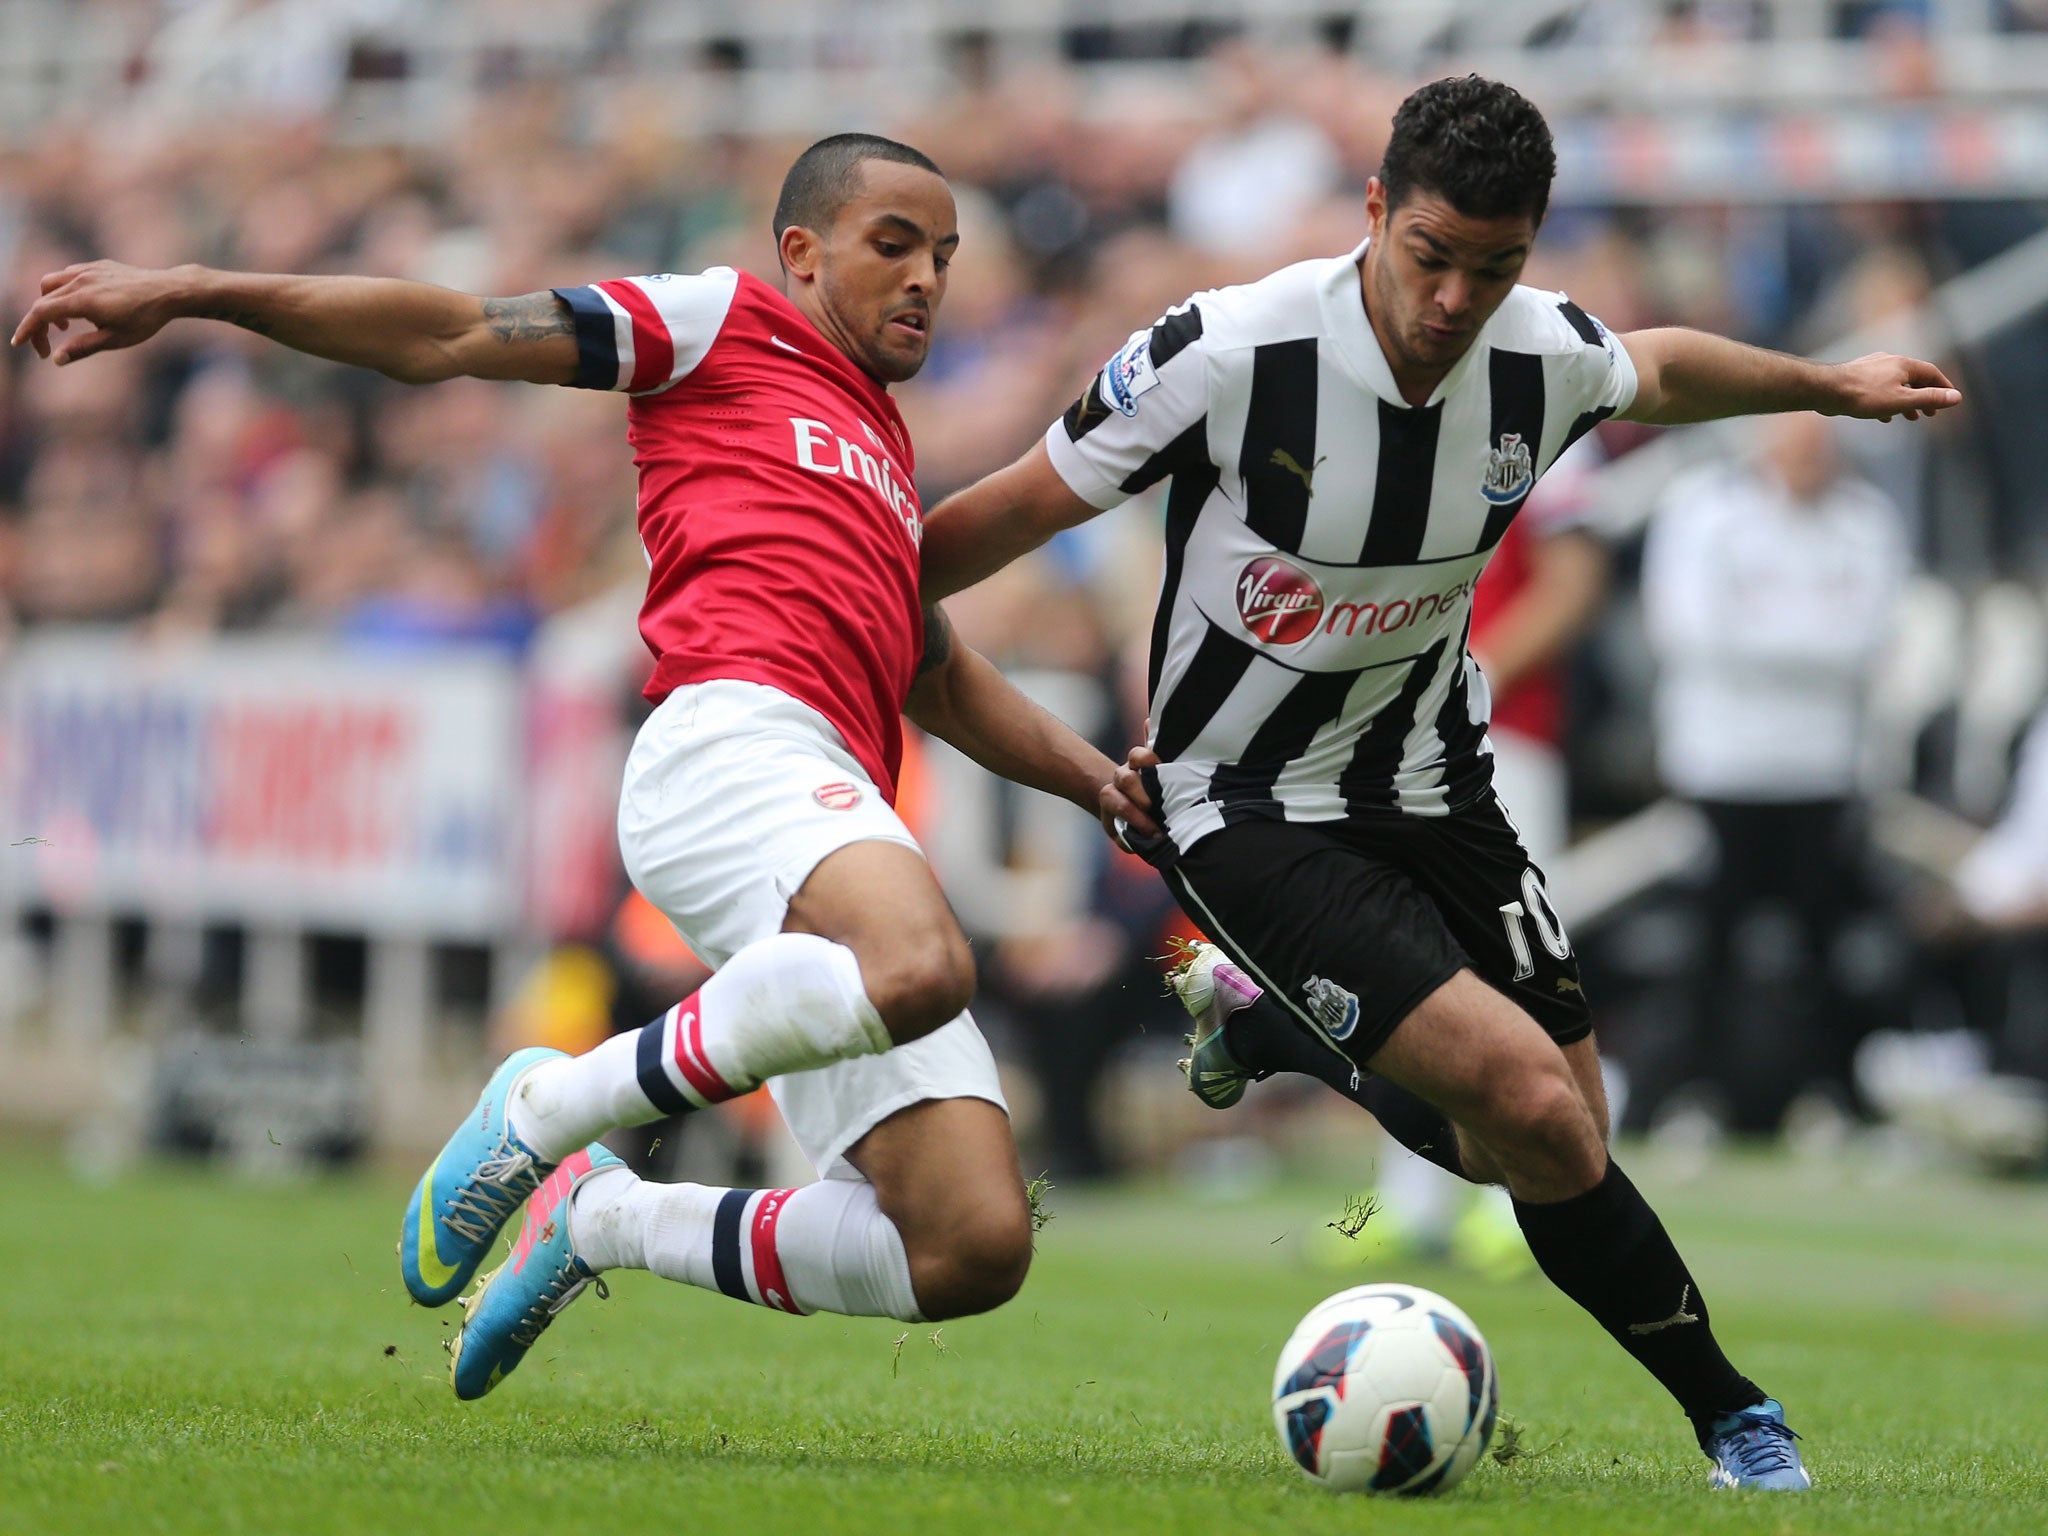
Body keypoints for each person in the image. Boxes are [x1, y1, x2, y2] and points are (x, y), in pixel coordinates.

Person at [918, 76, 1960, 1490]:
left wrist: (1826, 382)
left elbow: (1655, 363)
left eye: (1498, 266)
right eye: (1432, 256)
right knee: (1531, 1108)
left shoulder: (1538, 355)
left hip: (1434, 782)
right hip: (1244, 807)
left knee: (1542, 1139)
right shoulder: (1228, 352)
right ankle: (1738, 1417)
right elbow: (1005, 515)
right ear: (1373, 214)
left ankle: (1282, 1037)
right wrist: (833, 604)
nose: (1460, 297)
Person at [15, 133, 1155, 1399]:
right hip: (728, 742)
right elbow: (449, 333)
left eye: (943, 256)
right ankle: (548, 1109)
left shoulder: (880, 451)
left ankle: (606, 1219)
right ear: (799, 252)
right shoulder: (721, 322)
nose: (925, 279)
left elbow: (933, 672)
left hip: (822, 790)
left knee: (967, 1245)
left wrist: (1098, 782)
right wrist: (190, 288)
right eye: (892, 245)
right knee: (922, 963)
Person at [1642, 411, 1908, 1133]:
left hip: (1822, 767)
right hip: (1720, 763)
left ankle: (1826, 1097)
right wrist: (1810, 635)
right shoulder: (1705, 511)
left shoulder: (1867, 521)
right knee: (1710, 941)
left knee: (1822, 943)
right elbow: (1687, 629)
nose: (1806, 460)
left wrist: (1758, 630)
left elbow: (1870, 640)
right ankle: (1692, 1094)